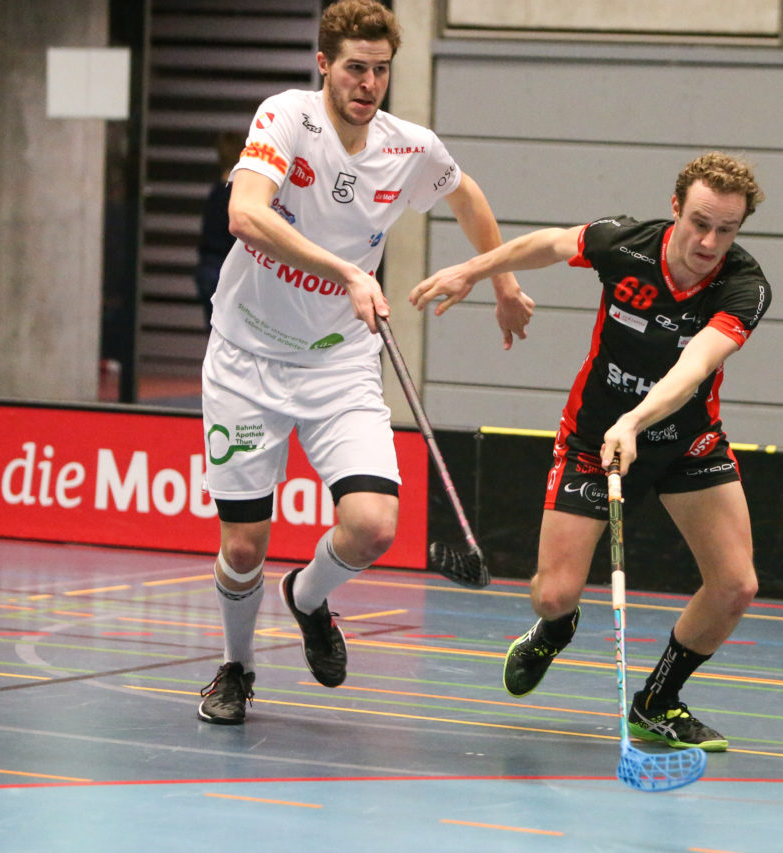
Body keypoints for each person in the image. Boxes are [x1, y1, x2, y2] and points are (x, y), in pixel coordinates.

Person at [196, 0, 534, 725]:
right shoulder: (287, 119)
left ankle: (309, 597)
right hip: (245, 358)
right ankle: (236, 666)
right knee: (244, 543)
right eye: (355, 67)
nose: (369, 83)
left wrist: (500, 279)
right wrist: (349, 273)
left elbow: (465, 194)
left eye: (381, 70)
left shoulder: (408, 147)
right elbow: (245, 214)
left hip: (338, 364)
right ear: (324, 64)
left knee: (374, 524)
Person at [410, 152, 769, 751]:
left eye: (725, 230)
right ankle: (554, 630)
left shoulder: (743, 286)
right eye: (699, 222)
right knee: (554, 593)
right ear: (675, 207)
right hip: (590, 440)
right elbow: (551, 244)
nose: (709, 241)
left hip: (685, 441)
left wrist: (635, 420)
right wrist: (474, 272)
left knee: (736, 585)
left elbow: (695, 364)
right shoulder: (624, 244)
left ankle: (657, 703)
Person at [193, 131, 243, 330]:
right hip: (225, 271)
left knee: (215, 336)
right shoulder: (239, 196)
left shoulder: (215, 192)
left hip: (208, 268)